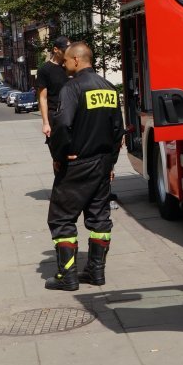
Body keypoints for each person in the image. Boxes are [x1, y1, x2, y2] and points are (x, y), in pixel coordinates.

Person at [44, 42, 123, 291]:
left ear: (77, 60)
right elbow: (118, 130)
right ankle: (96, 272)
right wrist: (110, 163)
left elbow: (62, 125)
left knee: (62, 218)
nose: (65, 65)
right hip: (102, 164)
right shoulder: (109, 89)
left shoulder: (73, 88)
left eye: (66, 61)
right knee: (100, 218)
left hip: (77, 163)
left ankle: (67, 277)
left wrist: (59, 155)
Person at [36, 36, 70, 138]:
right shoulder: (45, 70)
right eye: (64, 50)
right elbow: (43, 98)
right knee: (58, 151)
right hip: (55, 115)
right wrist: (46, 123)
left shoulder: (71, 66)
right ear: (56, 49)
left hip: (72, 113)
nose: (67, 53)